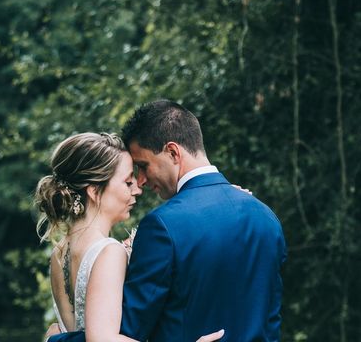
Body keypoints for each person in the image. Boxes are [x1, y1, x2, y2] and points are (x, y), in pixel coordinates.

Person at [35, 132, 224, 342]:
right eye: (127, 182)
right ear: (94, 191)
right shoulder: (108, 251)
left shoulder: (59, 252)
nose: (137, 190)